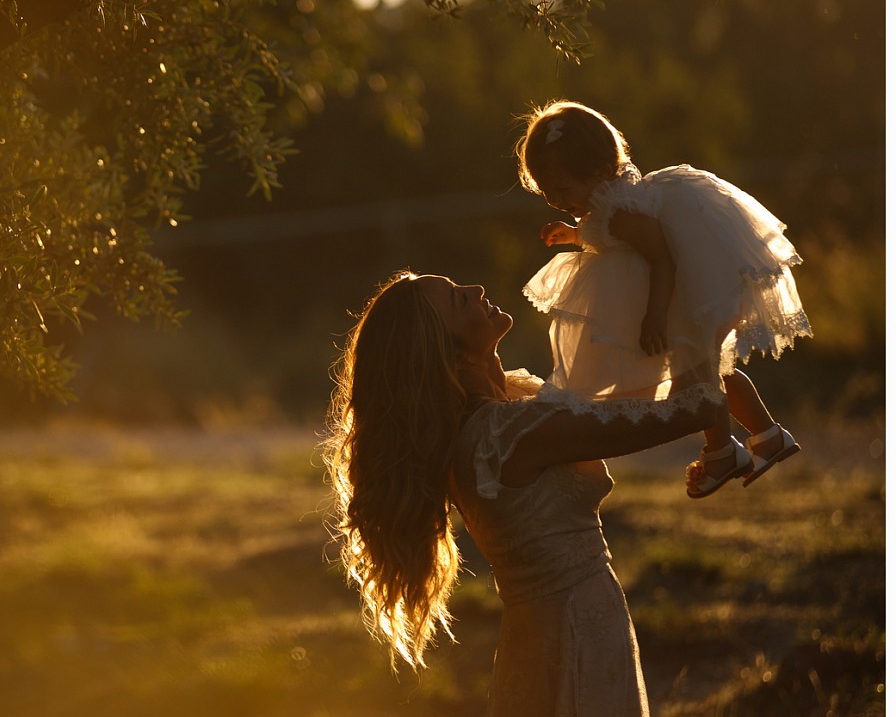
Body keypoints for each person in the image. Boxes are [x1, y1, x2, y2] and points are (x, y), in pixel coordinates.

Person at [322, 271, 713, 715]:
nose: (475, 289)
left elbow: (643, 398)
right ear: (445, 347)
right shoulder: (506, 436)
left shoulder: (504, 412)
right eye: (456, 300)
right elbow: (694, 408)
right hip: (571, 636)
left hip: (561, 628)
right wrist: (699, 316)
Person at [515, 99, 811, 498]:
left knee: (695, 381)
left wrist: (654, 316)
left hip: (673, 297)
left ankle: (723, 451)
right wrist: (573, 233)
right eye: (546, 191)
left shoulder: (621, 212)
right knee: (712, 370)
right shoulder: (608, 203)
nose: (553, 199)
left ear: (601, 172)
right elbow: (607, 235)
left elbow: (660, 258)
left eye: (562, 190)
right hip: (676, 298)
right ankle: (768, 436)